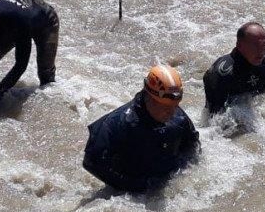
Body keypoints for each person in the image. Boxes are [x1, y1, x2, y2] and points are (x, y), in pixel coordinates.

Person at [82, 65, 201, 193]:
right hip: (134, 190)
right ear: (149, 98)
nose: (172, 113)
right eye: (166, 107)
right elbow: (92, 162)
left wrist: (182, 173)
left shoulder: (179, 118)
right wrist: (135, 186)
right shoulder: (118, 123)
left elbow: (193, 146)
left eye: (175, 106)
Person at [203, 21, 265, 114]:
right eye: (255, 45)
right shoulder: (223, 73)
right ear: (239, 45)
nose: (261, 51)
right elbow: (214, 119)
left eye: (264, 45)